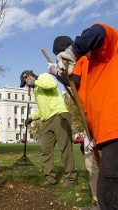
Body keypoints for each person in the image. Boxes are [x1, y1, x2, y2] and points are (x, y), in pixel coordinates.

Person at [52, 23, 118, 210]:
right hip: (109, 133)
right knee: (109, 189)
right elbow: (74, 82)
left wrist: (74, 51)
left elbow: (99, 31)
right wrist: (58, 73)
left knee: (117, 193)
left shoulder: (111, 48)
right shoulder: (87, 66)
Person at [49, 35, 100, 208]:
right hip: (91, 118)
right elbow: (73, 82)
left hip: (102, 120)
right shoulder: (77, 63)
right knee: (91, 161)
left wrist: (57, 73)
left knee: (102, 161)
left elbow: (75, 80)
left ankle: (106, 200)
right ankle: (97, 200)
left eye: (59, 53)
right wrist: (59, 73)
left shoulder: (85, 60)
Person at [19, 70, 76, 188]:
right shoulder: (36, 90)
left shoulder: (44, 77)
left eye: (25, 82)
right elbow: (42, 109)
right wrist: (32, 118)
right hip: (46, 120)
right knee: (45, 150)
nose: (26, 85)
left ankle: (70, 179)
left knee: (65, 148)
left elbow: (52, 86)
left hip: (59, 115)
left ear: (28, 76)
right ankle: (50, 178)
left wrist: (35, 81)